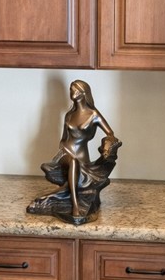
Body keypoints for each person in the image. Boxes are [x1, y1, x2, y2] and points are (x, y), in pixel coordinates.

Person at [28, 81, 121, 223]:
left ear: (84, 93)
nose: (73, 93)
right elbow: (63, 138)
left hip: (82, 156)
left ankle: (66, 198)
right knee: (72, 162)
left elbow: (110, 133)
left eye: (76, 90)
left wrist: (107, 146)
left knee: (76, 165)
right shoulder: (69, 115)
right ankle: (76, 205)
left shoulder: (93, 114)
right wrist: (60, 152)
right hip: (66, 153)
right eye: (71, 90)